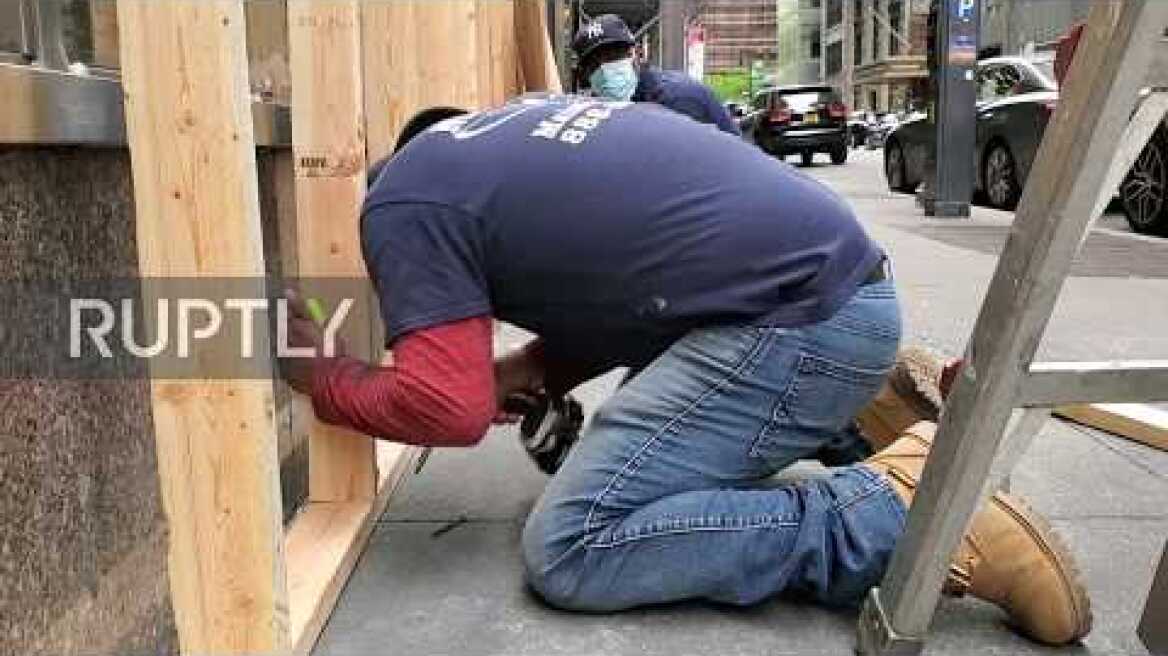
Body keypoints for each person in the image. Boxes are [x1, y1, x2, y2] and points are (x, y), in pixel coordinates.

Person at [279, 96, 1090, 646]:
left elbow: (445, 410)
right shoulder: (518, 134)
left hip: (799, 325)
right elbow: (639, 282)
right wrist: (532, 364)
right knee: (654, 474)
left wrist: (320, 373)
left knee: (573, 546)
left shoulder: (402, 203)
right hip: (833, 287)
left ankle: (895, 512)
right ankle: (863, 407)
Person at [571, 14, 740, 136]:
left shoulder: (677, 100)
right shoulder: (607, 108)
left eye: (613, 56)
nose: (605, 70)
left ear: (636, 54)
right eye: (594, 65)